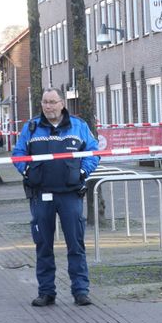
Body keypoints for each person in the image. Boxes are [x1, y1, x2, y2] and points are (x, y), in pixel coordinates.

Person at [12, 87, 100, 307]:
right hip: (41, 194)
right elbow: (18, 154)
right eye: (44, 102)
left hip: (70, 195)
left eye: (52, 102)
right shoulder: (31, 127)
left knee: (76, 244)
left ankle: (80, 291)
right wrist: (27, 171)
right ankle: (46, 292)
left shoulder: (78, 126)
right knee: (43, 245)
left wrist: (82, 172)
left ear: (62, 103)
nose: (48, 106)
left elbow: (94, 152)